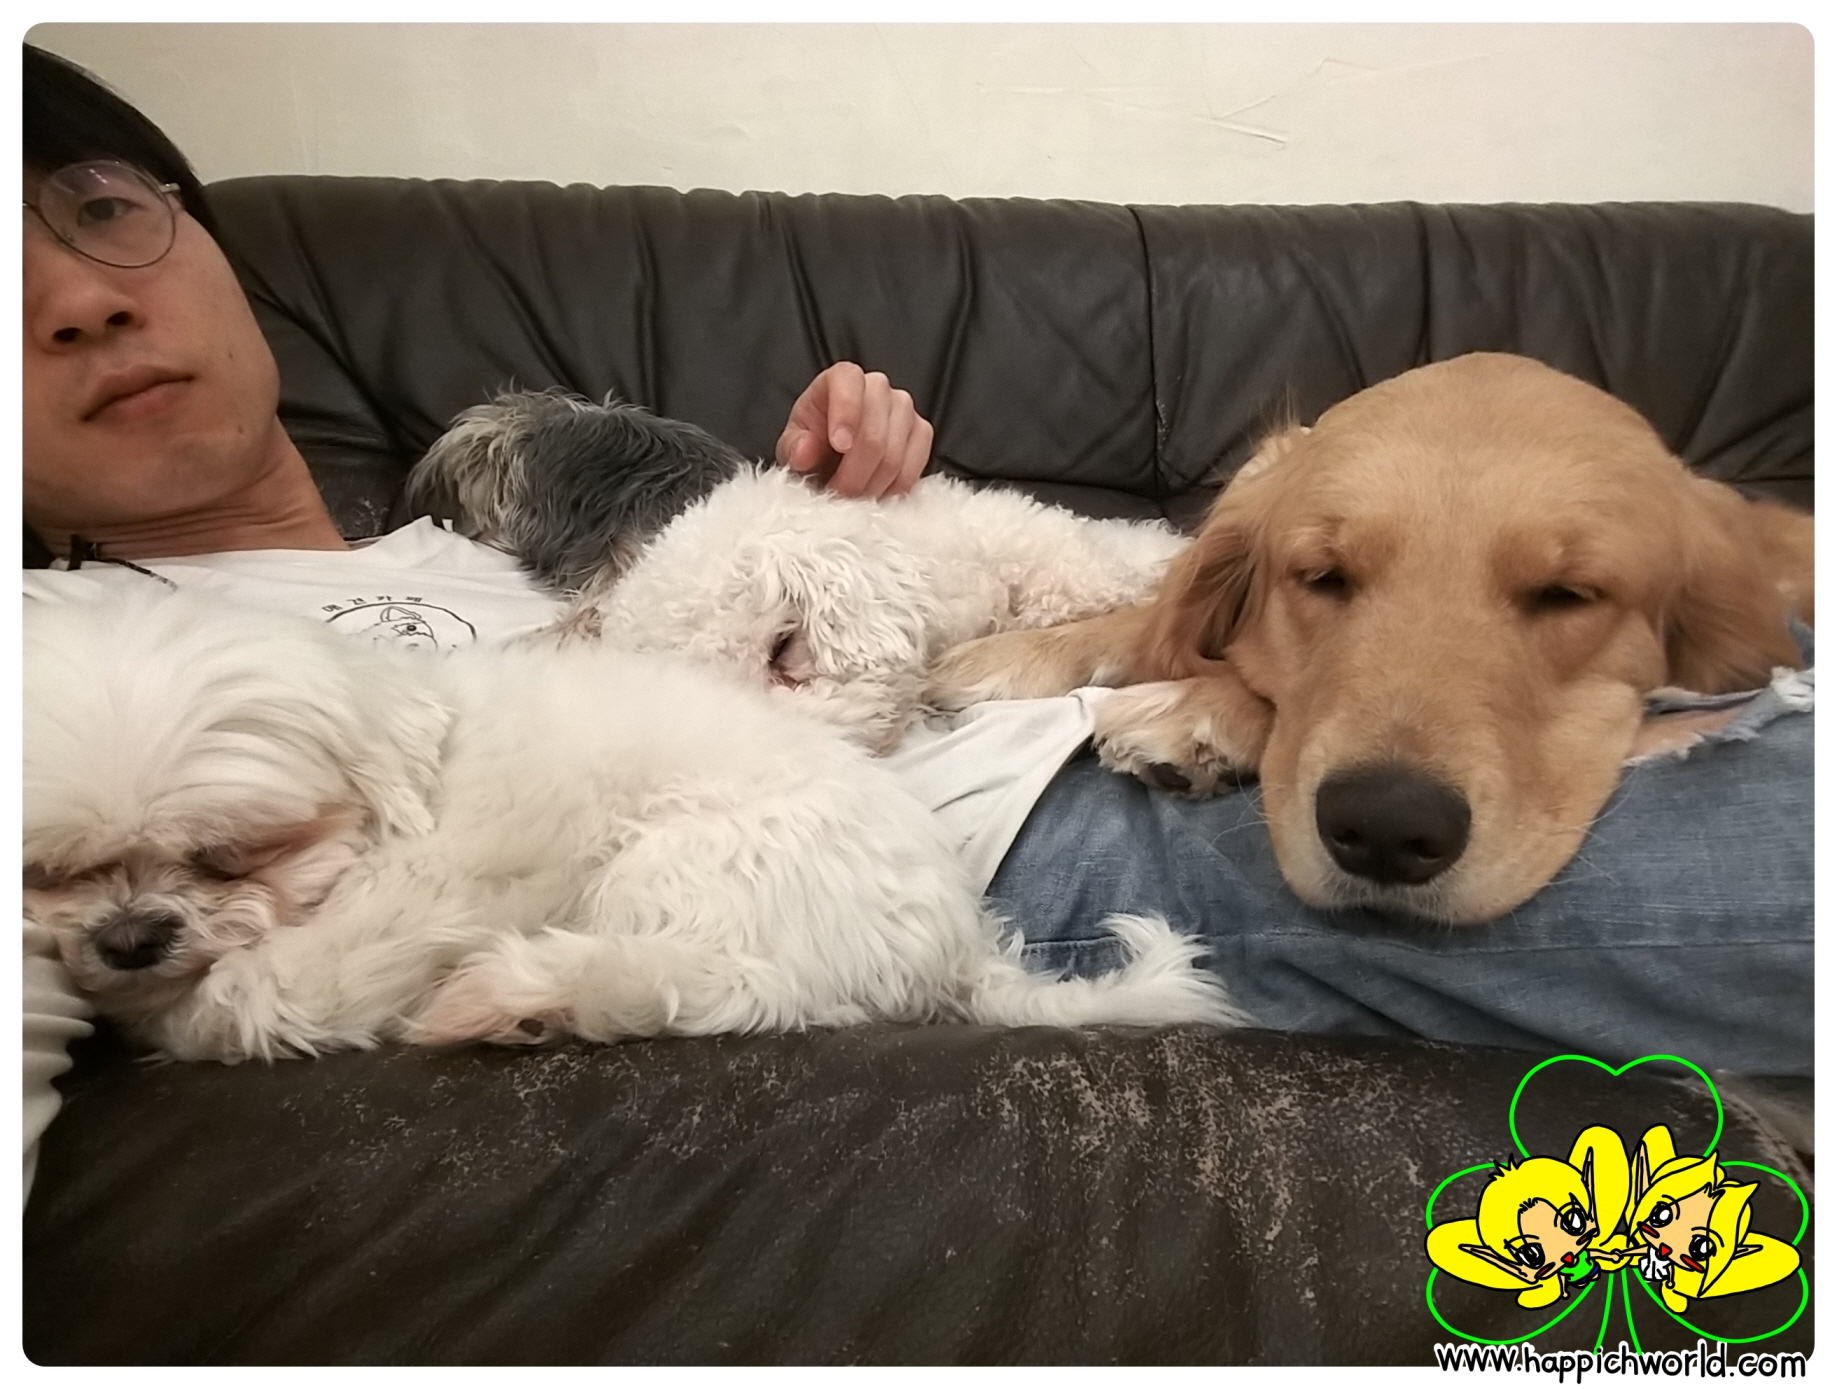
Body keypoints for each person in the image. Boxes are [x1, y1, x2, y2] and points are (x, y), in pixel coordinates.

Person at [22, 43, 1813, 1196]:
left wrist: (832, 501)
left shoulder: (493, 500)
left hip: (1050, 699)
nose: (79, 301)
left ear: (206, 238)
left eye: (100, 214)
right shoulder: (54, 659)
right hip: (943, 847)